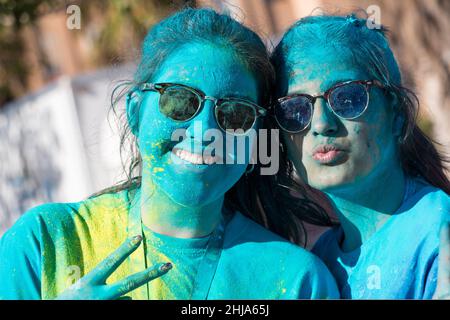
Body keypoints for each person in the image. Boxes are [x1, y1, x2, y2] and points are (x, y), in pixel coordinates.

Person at [0, 8, 339, 300]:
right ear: (135, 112)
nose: (205, 131)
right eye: (179, 101)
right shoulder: (45, 243)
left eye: (235, 113)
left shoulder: (295, 280)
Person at [254, 13, 450, 299]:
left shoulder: (438, 230)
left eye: (347, 99)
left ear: (396, 112)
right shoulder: (322, 259)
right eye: (294, 109)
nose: (321, 125)